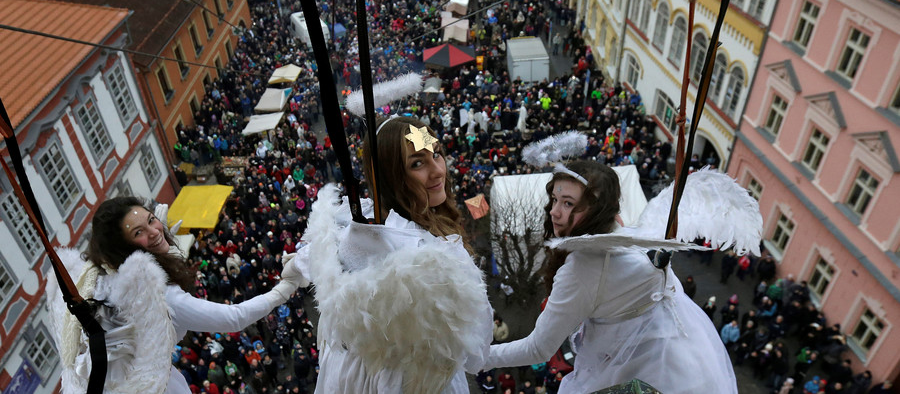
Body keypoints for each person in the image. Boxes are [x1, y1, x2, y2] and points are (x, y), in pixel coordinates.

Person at [479, 160, 738, 393]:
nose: (554, 212)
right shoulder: (625, 230)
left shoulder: (581, 270)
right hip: (688, 357)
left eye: (568, 203)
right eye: (554, 199)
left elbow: (538, 348)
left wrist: (479, 357)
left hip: (643, 370)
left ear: (598, 210)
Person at [289, 116, 492, 393]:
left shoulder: (351, 222)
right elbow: (475, 353)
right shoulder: (441, 259)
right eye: (417, 163)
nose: (437, 171)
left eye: (437, 155)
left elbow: (311, 257)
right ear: (389, 175)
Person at [47, 197, 306, 393]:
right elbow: (235, 318)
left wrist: (157, 243)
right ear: (122, 248)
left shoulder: (99, 276)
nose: (154, 230)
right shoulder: (158, 296)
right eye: (138, 233)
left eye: (150, 219)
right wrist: (283, 290)